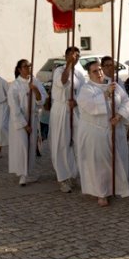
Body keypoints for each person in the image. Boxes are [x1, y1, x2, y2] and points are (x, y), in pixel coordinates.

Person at [76, 60, 129, 206]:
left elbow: (126, 101)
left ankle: (114, 187)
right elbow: (91, 106)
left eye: (100, 69)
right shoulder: (86, 89)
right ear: (88, 74)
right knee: (99, 164)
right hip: (95, 131)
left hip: (115, 128)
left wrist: (119, 116)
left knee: (116, 160)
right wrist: (106, 94)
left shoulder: (113, 84)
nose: (99, 73)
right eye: (95, 71)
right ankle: (101, 192)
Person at [49, 47, 84, 193]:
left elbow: (82, 93)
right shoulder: (59, 70)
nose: (74, 57)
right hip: (61, 108)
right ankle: (63, 177)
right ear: (66, 56)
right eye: (71, 55)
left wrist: (77, 102)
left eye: (77, 56)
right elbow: (62, 82)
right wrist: (68, 64)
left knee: (78, 142)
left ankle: (74, 173)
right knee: (61, 143)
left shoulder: (79, 74)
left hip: (75, 109)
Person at [8, 59, 45, 186]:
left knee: (30, 145)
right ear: (19, 69)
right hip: (20, 121)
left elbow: (42, 100)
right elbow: (14, 106)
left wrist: (35, 90)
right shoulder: (14, 85)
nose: (28, 68)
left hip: (33, 119)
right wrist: (24, 124)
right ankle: (22, 174)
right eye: (25, 66)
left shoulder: (35, 82)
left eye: (29, 66)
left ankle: (28, 172)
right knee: (22, 146)